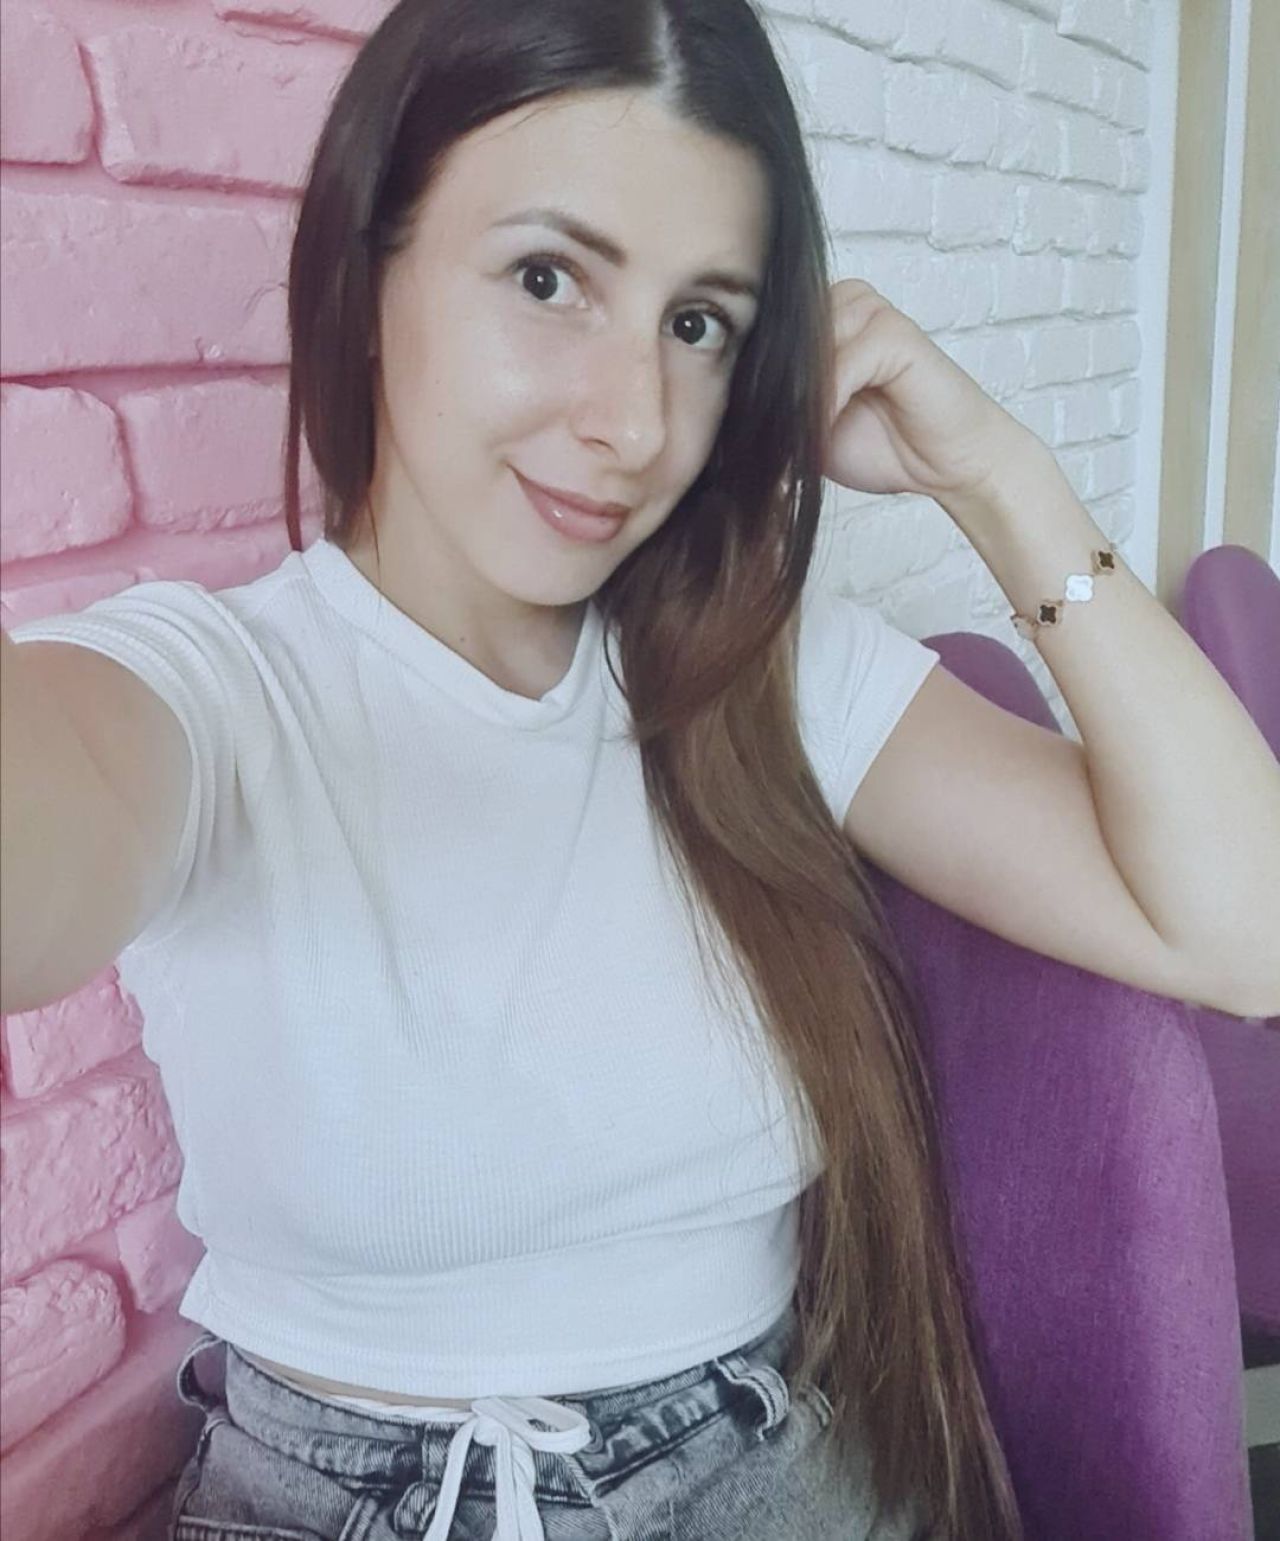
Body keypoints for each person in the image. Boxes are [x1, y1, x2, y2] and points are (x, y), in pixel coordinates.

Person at [0, 2, 1053, 1538]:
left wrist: (996, 474)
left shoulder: (762, 672)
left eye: (698, 324)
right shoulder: (223, 690)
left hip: (764, 1474)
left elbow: (1242, 923)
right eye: (549, 279)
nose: (631, 424)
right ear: (371, 271)